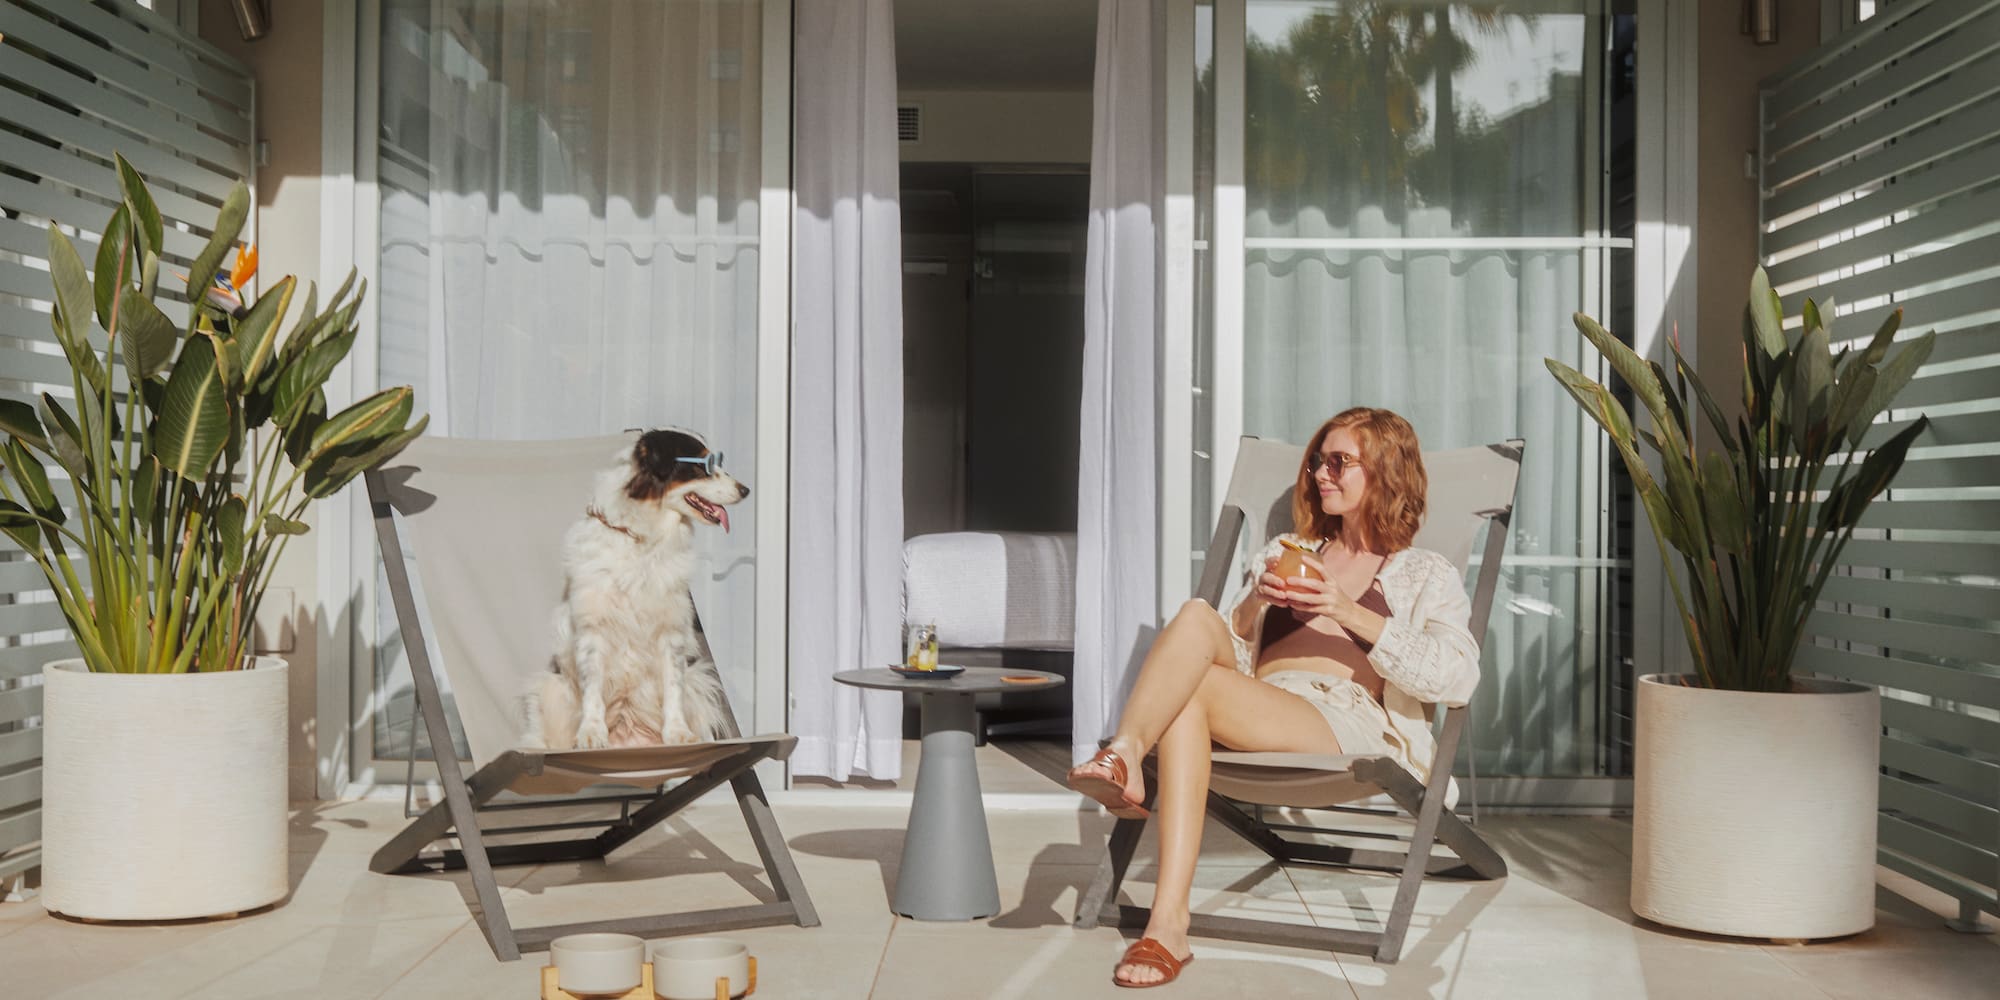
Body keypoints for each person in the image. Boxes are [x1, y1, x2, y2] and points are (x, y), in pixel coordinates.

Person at [1066, 407, 1482, 988]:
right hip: (1263, 704)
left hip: (1347, 721)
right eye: (1317, 461)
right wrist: (1254, 605)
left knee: (1193, 690)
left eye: (1339, 462)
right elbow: (1233, 657)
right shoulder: (1288, 551)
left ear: (1386, 471)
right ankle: (1130, 761)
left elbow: (1456, 677)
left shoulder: (1423, 573)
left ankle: (1166, 922)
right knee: (1194, 617)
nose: (1320, 474)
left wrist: (1344, 609)